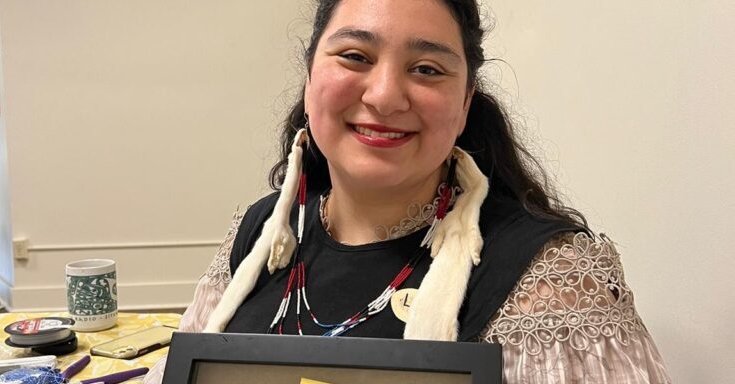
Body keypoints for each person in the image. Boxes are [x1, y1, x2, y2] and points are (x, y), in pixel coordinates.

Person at [145, 0, 671, 382]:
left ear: (465, 104)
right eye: (354, 56)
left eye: (426, 69)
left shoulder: (548, 281)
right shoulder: (264, 231)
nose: (385, 95)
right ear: (309, 81)